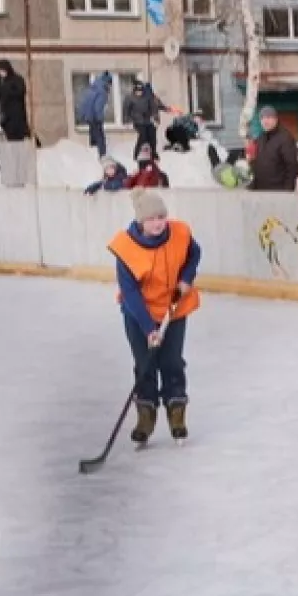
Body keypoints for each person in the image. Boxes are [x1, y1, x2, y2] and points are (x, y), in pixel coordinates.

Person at [111, 189, 202, 446]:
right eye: (151, 218)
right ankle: (146, 419)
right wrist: (149, 328)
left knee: (172, 362)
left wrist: (186, 278)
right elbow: (130, 292)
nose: (158, 222)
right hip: (139, 314)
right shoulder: (126, 248)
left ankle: (177, 416)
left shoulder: (179, 233)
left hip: (174, 309)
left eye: (161, 216)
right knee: (145, 364)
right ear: (141, 221)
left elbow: (194, 254)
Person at [0, 59, 32, 188]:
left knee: (19, 148)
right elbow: (0, 100)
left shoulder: (16, 80)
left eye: (2, 71)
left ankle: (21, 174)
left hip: (18, 119)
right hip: (7, 121)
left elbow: (21, 91)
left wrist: (8, 91)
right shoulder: (1, 83)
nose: (1, 73)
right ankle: (14, 173)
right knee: (11, 149)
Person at [248, 107, 298, 192]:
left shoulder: (285, 138)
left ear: (275, 119)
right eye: (262, 118)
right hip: (260, 189)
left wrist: (288, 189)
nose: (265, 121)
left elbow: (292, 167)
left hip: (278, 190)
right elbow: (256, 162)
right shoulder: (260, 138)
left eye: (268, 117)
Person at [123, 79, 165, 160]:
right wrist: (127, 121)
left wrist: (155, 118)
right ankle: (137, 153)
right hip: (137, 120)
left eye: (141, 91)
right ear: (134, 90)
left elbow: (153, 108)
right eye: (137, 91)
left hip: (147, 120)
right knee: (143, 136)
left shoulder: (147, 97)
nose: (139, 93)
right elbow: (126, 110)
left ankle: (153, 153)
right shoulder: (129, 98)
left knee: (152, 135)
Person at [77, 71, 112, 157]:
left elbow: (84, 102)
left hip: (88, 115)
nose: (110, 86)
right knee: (99, 135)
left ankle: (92, 153)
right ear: (108, 82)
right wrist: (99, 118)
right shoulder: (102, 91)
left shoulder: (93, 87)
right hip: (94, 116)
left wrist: (83, 115)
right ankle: (102, 154)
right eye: (110, 83)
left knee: (93, 134)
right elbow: (98, 106)